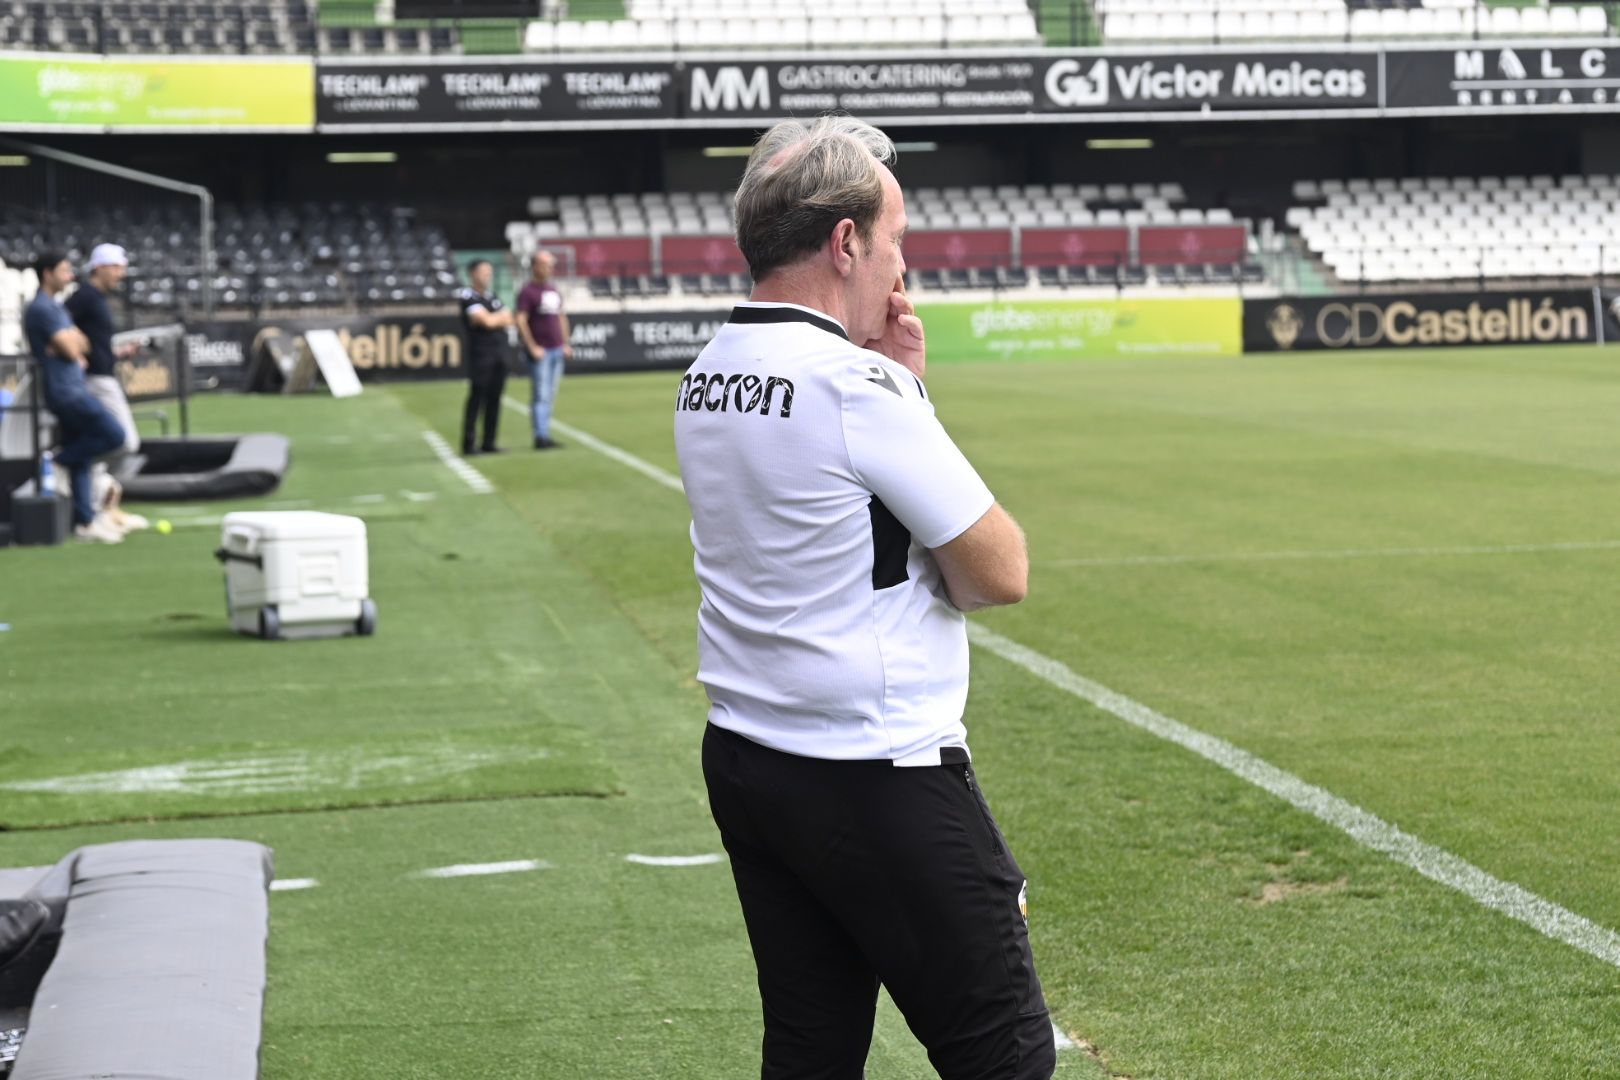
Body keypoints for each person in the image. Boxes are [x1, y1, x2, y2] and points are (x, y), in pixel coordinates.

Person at [673, 116, 1052, 1079]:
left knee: (811, 1047)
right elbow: (999, 573)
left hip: (752, 758)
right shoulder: (852, 387)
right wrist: (905, 392)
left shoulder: (708, 372)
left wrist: (900, 387)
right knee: (1005, 1054)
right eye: (895, 243)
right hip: (876, 768)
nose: (900, 270)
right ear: (845, 243)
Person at [23, 252, 127, 544]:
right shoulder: (42, 308)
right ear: (48, 273)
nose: (70, 276)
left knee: (83, 454)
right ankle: (57, 463)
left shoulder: (54, 307)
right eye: (64, 270)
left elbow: (83, 344)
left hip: (74, 386)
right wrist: (72, 342)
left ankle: (85, 521)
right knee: (114, 434)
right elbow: (73, 349)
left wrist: (74, 341)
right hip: (66, 391)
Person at [64, 243, 148, 534]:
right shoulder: (85, 297)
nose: (121, 274)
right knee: (124, 441)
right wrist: (76, 352)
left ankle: (97, 496)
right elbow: (60, 324)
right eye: (116, 267)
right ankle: (73, 465)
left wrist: (120, 354)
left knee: (117, 441)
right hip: (96, 381)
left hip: (103, 375)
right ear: (99, 266)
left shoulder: (95, 298)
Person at [514, 250, 572, 450]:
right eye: (546, 264)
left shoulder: (553, 290)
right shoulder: (527, 291)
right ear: (535, 266)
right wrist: (531, 346)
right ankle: (540, 436)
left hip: (556, 349)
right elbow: (521, 320)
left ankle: (545, 433)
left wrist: (565, 342)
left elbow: (561, 317)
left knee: (550, 394)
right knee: (541, 394)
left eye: (551, 264)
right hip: (542, 351)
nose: (550, 268)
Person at [457, 258, 514, 456]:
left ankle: (489, 441)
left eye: (489, 272)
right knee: (477, 399)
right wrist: (496, 319)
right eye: (483, 272)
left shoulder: (492, 296)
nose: (487, 276)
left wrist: (494, 319)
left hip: (499, 355)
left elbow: (509, 317)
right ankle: (469, 443)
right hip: (481, 356)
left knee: (495, 399)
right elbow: (487, 321)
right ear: (473, 273)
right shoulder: (468, 296)